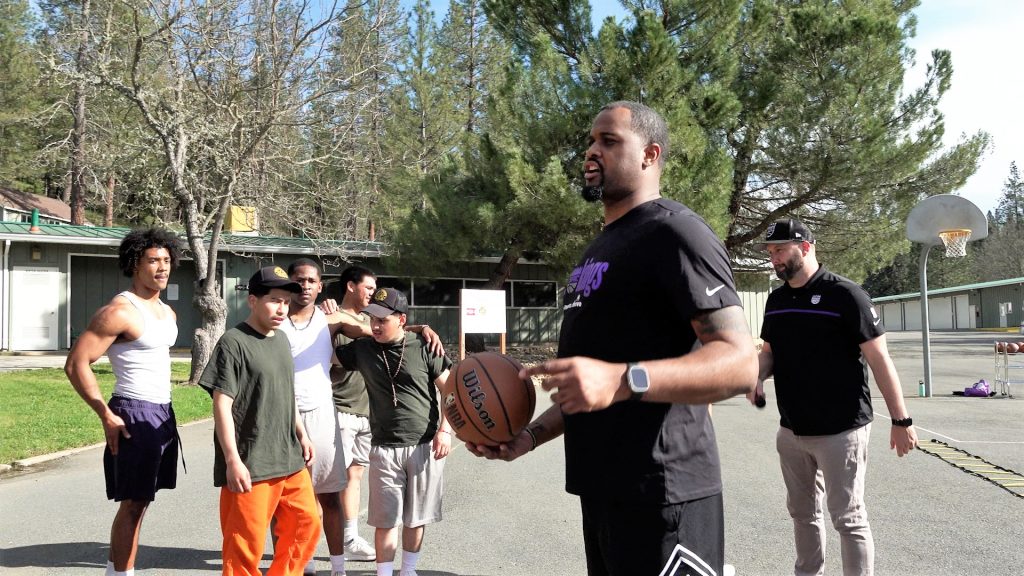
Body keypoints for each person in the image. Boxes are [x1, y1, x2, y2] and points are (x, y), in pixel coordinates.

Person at [467, 101, 758, 576]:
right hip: (603, 493)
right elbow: (590, 387)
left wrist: (624, 379)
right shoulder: (596, 251)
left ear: (650, 155)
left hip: (666, 496)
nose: (591, 151)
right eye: (590, 141)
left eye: (609, 140)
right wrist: (530, 437)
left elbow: (740, 362)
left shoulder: (676, 232)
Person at [753, 218, 918, 576]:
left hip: (842, 430)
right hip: (792, 430)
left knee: (848, 518)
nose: (773, 258)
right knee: (802, 514)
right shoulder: (777, 300)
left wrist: (901, 420)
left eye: (780, 250)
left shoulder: (846, 295)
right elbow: (769, 353)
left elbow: (880, 360)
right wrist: (756, 375)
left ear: (805, 247)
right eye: (770, 252)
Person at [65, 227, 182, 576]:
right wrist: (105, 414)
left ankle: (115, 569)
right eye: (153, 260)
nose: (162, 267)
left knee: (143, 501)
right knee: (133, 503)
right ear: (134, 264)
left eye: (167, 260)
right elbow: (76, 364)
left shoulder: (167, 312)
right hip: (133, 410)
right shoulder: (119, 311)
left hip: (162, 411)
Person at [199, 266, 321, 576]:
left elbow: (287, 391)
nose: (282, 309)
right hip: (252, 462)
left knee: (306, 523)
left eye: (286, 302)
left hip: (289, 457)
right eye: (274, 300)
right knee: (244, 546)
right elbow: (222, 404)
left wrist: (302, 433)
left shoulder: (281, 339)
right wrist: (232, 461)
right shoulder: (233, 342)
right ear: (252, 301)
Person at [324, 266, 446, 566]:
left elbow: (451, 390)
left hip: (424, 444)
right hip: (383, 447)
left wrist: (445, 430)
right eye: (372, 319)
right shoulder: (363, 349)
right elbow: (324, 354)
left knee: (416, 517)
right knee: (385, 520)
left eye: (382, 320)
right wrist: (333, 320)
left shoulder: (425, 347)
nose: (375, 326)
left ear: (401, 320)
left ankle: (409, 570)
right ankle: (384, 572)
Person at [278, 258, 349, 576]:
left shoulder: (328, 318)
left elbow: (375, 328)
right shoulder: (275, 319)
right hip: (281, 416)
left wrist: (418, 328)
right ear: (289, 282)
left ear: (320, 286)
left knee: (329, 496)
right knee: (285, 501)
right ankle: (294, 564)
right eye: (299, 279)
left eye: (310, 281)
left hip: (321, 414)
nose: (304, 285)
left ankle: (338, 567)